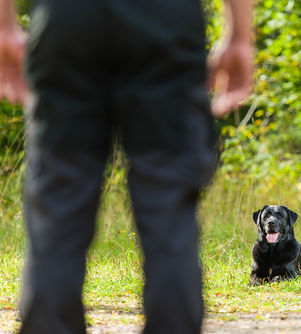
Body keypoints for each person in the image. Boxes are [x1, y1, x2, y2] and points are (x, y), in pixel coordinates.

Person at [0, 0, 254, 333]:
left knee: (59, 203)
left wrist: (5, 25)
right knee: (168, 203)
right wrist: (239, 35)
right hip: (164, 22)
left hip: (68, 19)